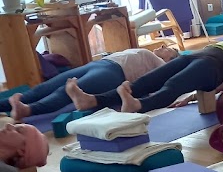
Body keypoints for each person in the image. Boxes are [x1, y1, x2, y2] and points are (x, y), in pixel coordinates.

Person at [65, 38, 223, 114]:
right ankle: (91, 100)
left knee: (173, 85)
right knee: (147, 81)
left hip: (214, 65)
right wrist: (192, 97)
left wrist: (191, 97)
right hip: (198, 55)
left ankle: (138, 106)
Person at [0, 46, 178, 120]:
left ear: (171, 59)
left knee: (65, 92)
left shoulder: (161, 65)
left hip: (114, 73)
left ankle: (27, 110)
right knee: (46, 86)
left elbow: (161, 88)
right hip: (98, 64)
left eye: (168, 50)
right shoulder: (144, 51)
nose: (162, 48)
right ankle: (7, 104)